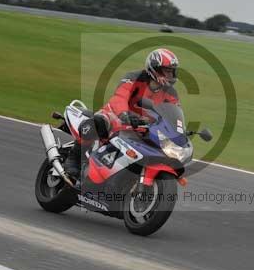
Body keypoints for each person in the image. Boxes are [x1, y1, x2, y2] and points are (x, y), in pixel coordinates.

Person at [65, 48, 180, 177]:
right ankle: (74, 159)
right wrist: (124, 114)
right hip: (116, 117)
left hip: (143, 127)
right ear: (155, 69)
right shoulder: (134, 78)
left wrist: (179, 130)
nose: (170, 75)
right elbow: (120, 97)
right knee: (97, 122)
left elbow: (174, 113)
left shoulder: (171, 93)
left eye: (172, 72)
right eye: (167, 71)